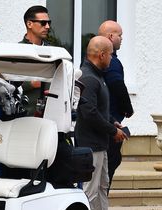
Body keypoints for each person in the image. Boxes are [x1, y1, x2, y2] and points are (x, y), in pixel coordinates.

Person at [75, 36, 127, 210]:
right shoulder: (89, 78)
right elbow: (88, 112)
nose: (112, 59)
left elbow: (99, 109)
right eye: (111, 55)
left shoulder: (98, 76)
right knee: (90, 192)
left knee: (102, 188)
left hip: (100, 145)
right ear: (102, 55)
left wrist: (113, 121)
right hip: (91, 146)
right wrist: (113, 131)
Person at [98, 20, 134, 192]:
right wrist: (128, 108)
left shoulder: (101, 60)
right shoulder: (111, 61)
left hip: (106, 121)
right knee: (108, 168)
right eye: (119, 35)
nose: (121, 39)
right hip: (109, 124)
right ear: (110, 36)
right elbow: (117, 84)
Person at [19, 5, 51, 116]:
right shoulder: (17, 50)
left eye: (48, 23)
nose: (47, 26)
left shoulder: (52, 51)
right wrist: (31, 84)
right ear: (29, 24)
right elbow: (6, 84)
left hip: (49, 116)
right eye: (43, 23)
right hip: (24, 115)